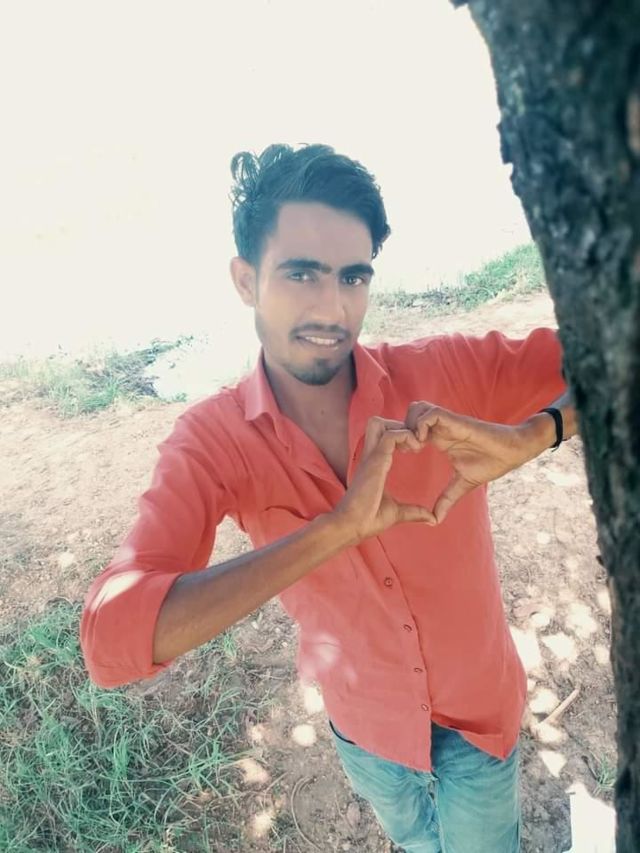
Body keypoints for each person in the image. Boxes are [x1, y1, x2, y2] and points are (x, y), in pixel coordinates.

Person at [80, 143, 576, 852]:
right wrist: (335, 529)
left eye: (353, 276)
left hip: (480, 721)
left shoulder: (445, 374)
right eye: (301, 273)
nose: (332, 307)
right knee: (415, 840)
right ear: (245, 280)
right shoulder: (214, 440)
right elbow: (110, 643)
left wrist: (538, 431)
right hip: (369, 731)